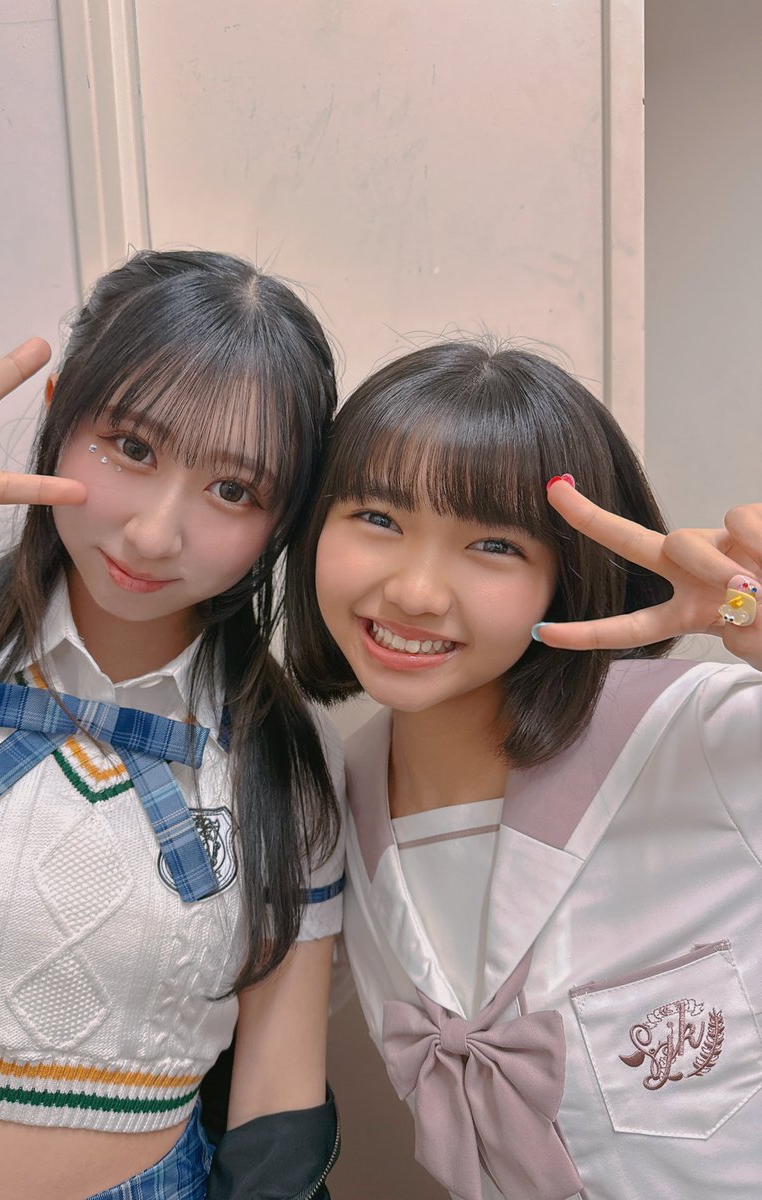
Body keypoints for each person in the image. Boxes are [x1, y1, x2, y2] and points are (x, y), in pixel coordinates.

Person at [0, 250, 345, 1200]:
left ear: (283, 520)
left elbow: (276, 1091)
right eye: (131, 447)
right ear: (58, 413)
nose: (155, 533)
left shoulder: (287, 756)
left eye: (234, 491)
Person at [286, 338, 762, 1200]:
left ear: (565, 573)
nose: (417, 592)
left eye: (494, 545)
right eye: (379, 519)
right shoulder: (330, 796)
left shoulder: (703, 732)